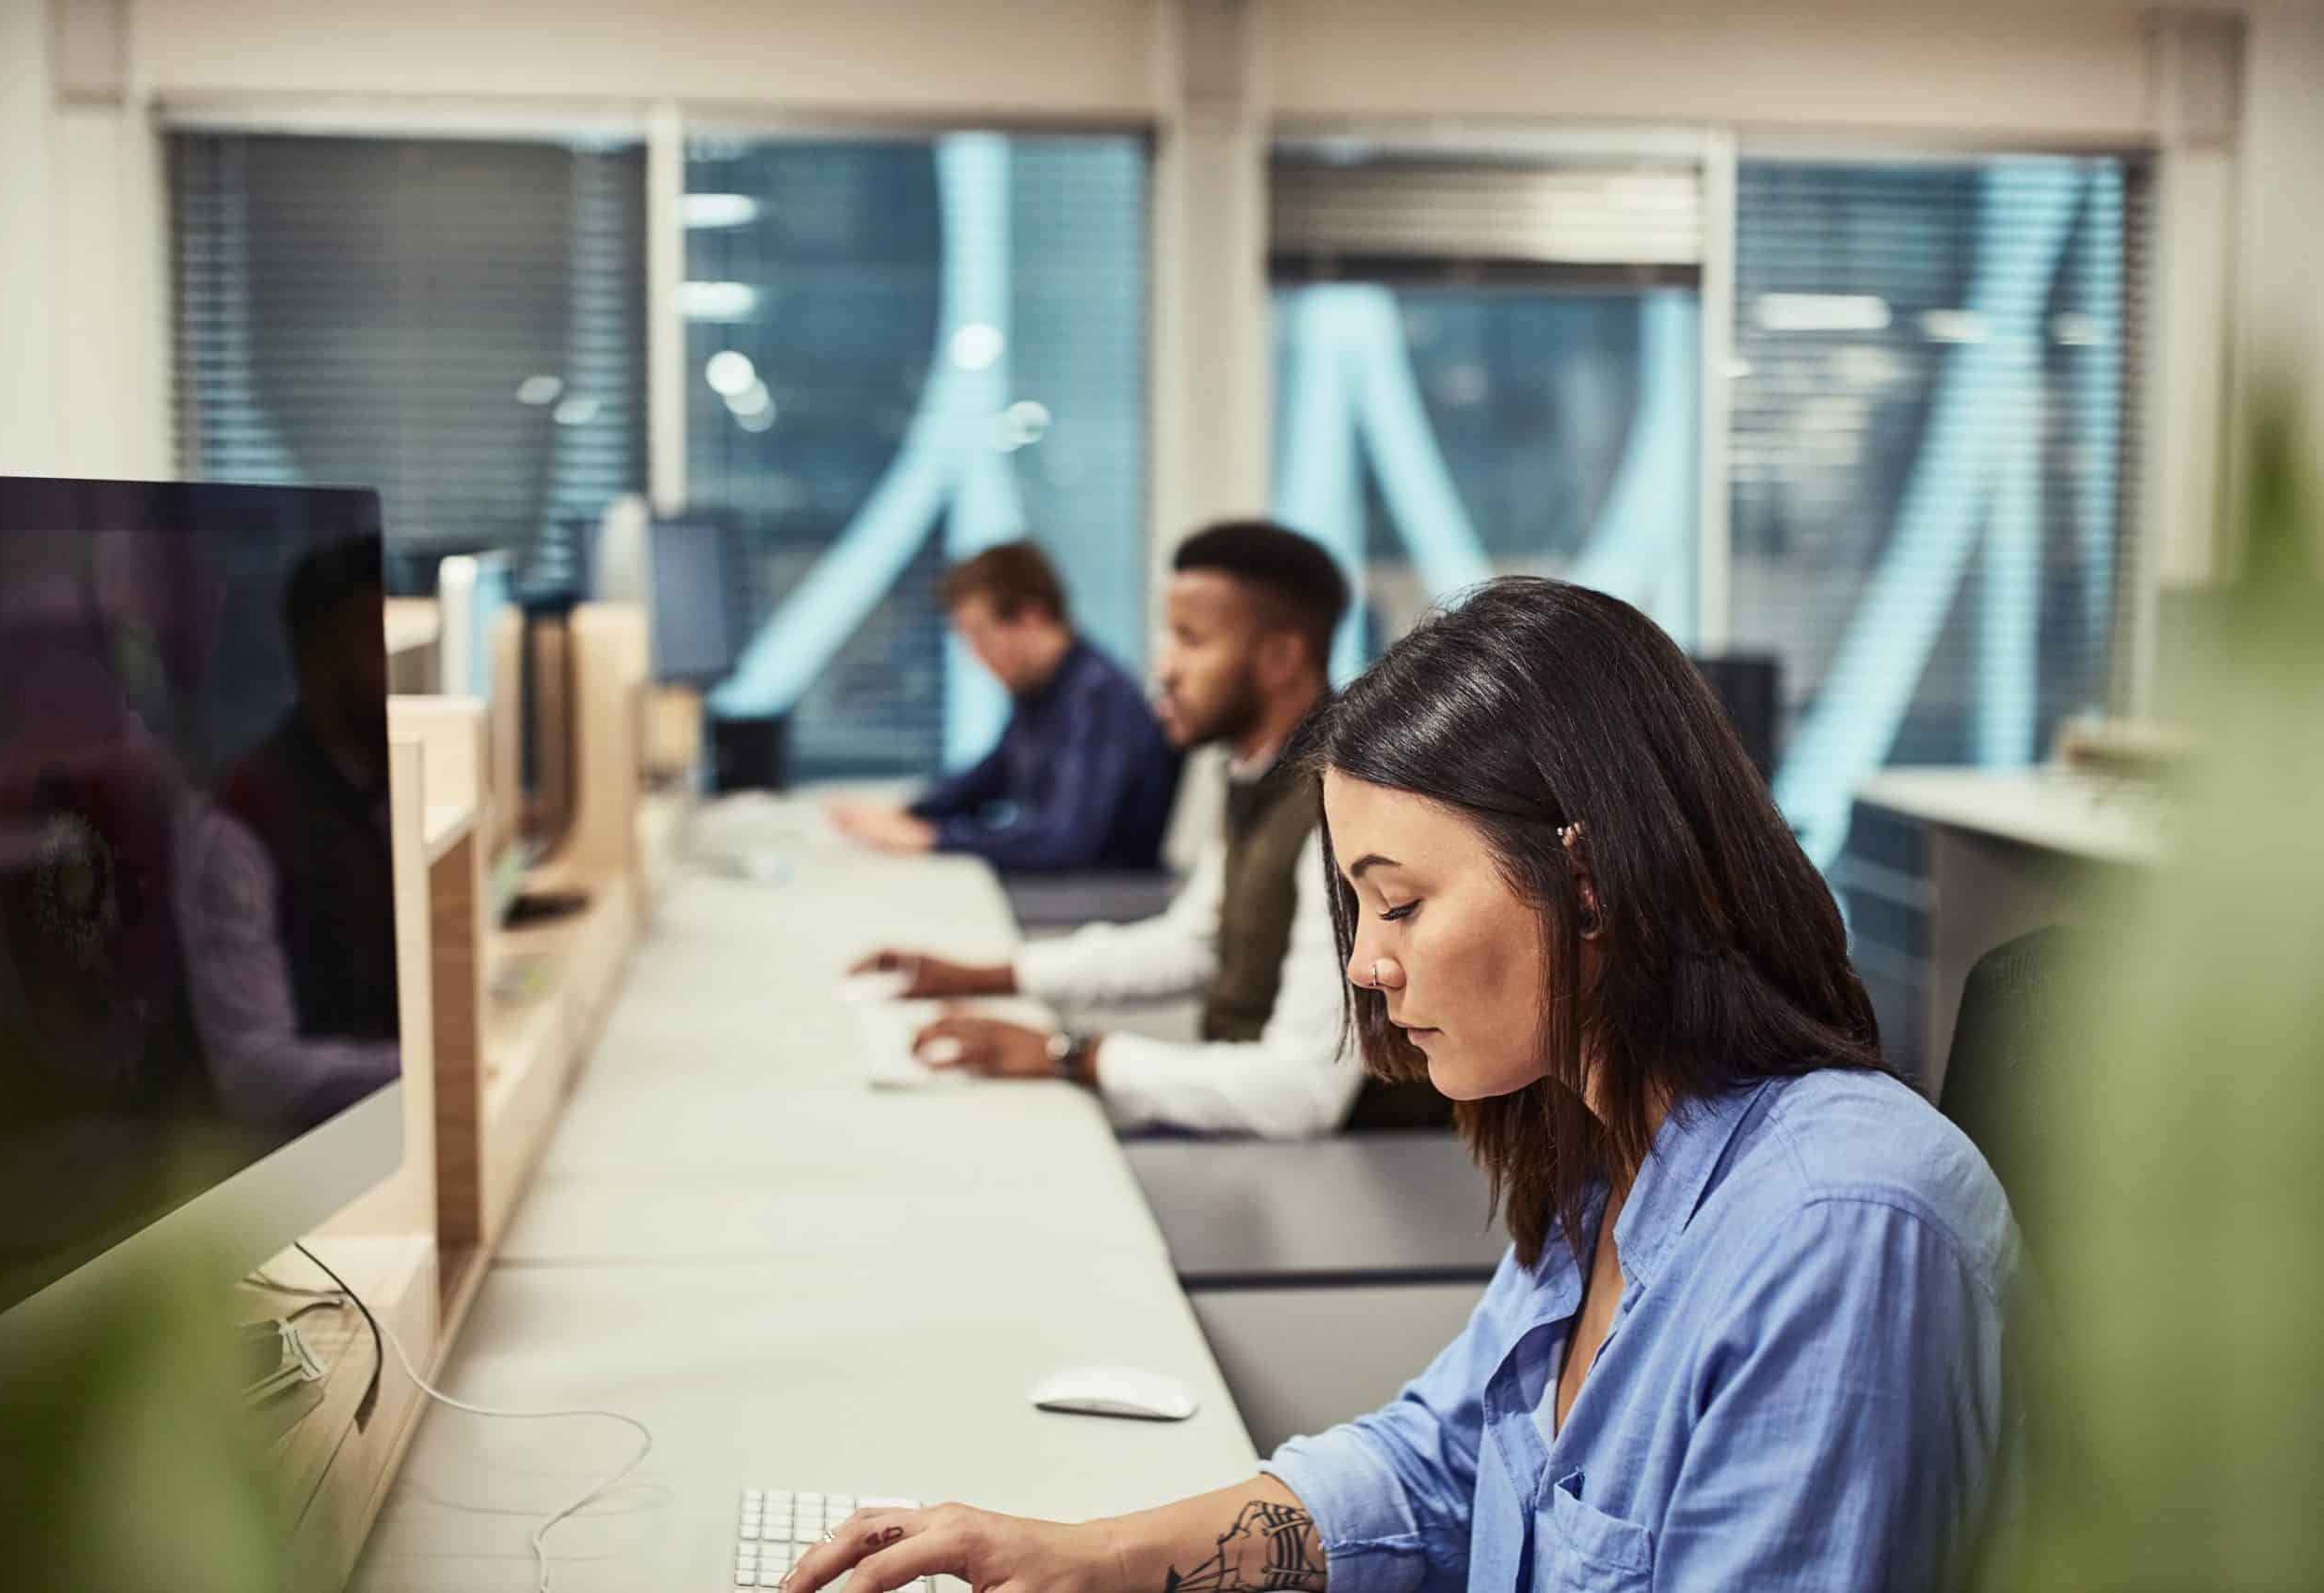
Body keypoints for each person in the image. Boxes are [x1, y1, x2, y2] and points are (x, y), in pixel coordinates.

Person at [797, 579, 2026, 1590]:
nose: (1366, 962)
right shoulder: (1608, 1143)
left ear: (1586, 883)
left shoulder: (1839, 1233)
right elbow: (1437, 1465)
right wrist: (1081, 1554)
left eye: (1399, 900)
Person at [855, 521, 1435, 1139]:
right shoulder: (1259, 777)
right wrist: (985, 975)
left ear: (1280, 657)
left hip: (1352, 1158)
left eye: (1190, 640)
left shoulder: (1344, 808)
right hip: (1262, 1122)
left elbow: (1303, 1092)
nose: (1163, 668)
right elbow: (1194, 943)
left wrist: (1068, 1054)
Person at [185, 536, 402, 1131]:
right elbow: (253, 1074)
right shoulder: (243, 823)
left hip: (398, 1134)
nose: (401, 670)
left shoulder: (391, 779)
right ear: (317, 659)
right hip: (318, 1163)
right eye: (378, 645)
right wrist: (422, 1068)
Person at [828, 539, 1179, 872]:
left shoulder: (1097, 696)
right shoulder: (1043, 689)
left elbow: (1065, 841)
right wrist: (906, 812)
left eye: (980, 635)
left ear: (1031, 616)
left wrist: (932, 839)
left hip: (1107, 897)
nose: (976, 655)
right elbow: (992, 776)